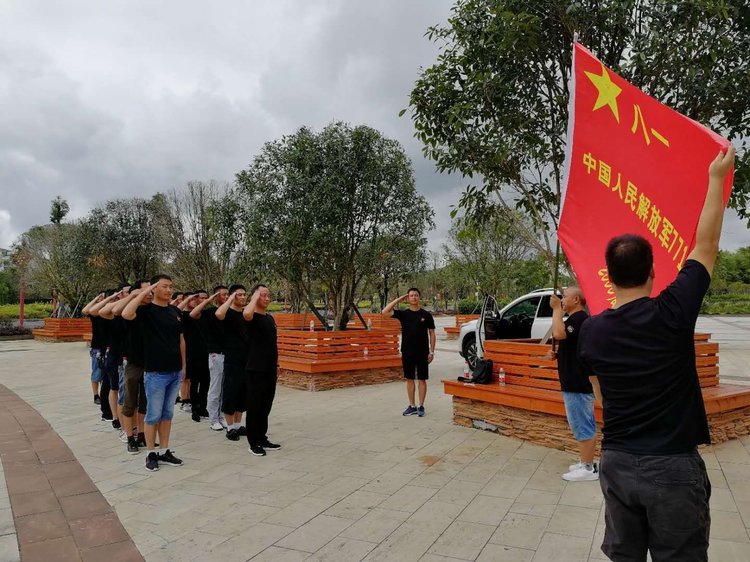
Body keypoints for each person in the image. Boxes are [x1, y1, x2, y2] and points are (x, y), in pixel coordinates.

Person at [578, 146, 735, 561]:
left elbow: (600, 399)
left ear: (609, 277)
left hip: (617, 462)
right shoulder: (673, 312)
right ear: (652, 271)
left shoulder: (592, 333)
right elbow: (707, 245)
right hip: (671, 468)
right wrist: (716, 178)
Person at [122, 274, 185, 472]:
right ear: (155, 289)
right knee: (153, 414)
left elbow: (181, 340)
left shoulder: (175, 311)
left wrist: (184, 367)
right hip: (156, 373)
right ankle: (151, 453)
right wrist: (144, 293)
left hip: (174, 371)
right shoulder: (145, 311)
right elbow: (125, 313)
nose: (168, 290)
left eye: (170, 286)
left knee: (167, 414)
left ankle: (164, 450)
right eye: (164, 286)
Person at [550, 286, 597, 482]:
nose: (562, 300)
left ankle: (587, 468)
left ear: (576, 299)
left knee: (582, 424)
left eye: (565, 297)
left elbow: (559, 334)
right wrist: (558, 353)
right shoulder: (575, 320)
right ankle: (585, 461)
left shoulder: (579, 320)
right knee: (581, 423)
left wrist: (555, 310)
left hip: (577, 382)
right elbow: (568, 342)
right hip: (573, 381)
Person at [109, 280, 151, 454]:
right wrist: (134, 295)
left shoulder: (153, 309)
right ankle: (129, 438)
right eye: (146, 289)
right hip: (133, 362)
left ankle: (141, 435)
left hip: (150, 363)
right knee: (129, 403)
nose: (150, 292)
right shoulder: (131, 310)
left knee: (144, 404)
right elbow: (116, 311)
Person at [382, 287, 436, 417]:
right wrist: (399, 299)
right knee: (410, 379)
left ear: (419, 297)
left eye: (416, 295)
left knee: (422, 379)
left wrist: (432, 352)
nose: (414, 297)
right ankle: (412, 406)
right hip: (407, 352)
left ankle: (421, 406)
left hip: (423, 352)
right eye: (411, 296)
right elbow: (384, 312)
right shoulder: (403, 314)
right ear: (408, 298)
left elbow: (432, 333)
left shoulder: (426, 315)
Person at [243, 284, 281, 456]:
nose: (266, 298)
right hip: (255, 368)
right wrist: (254, 297)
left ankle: (262, 436)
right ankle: (253, 442)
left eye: (268, 295)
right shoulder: (251, 317)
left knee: (266, 405)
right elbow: (246, 313)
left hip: (269, 368)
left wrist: (277, 365)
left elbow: (273, 344)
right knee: (255, 405)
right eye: (262, 295)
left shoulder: (269, 318)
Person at [189, 285, 230, 431]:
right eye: (222, 294)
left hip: (229, 354)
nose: (226, 297)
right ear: (216, 296)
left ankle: (221, 416)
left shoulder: (229, 313)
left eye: (227, 294)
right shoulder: (209, 312)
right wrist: (208, 300)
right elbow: (193, 314)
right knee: (215, 387)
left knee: (225, 388)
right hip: (215, 354)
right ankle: (213, 419)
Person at [215, 284, 248, 441]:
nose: (242, 297)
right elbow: (219, 313)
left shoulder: (246, 314)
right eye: (239, 295)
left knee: (242, 395)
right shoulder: (227, 313)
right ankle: (229, 427)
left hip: (246, 360)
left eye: (244, 295)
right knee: (230, 393)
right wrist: (229, 299)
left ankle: (237, 425)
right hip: (232, 360)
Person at [180, 290, 210, 423]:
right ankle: (195, 409)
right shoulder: (185, 315)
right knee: (194, 382)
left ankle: (203, 407)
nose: (203, 300)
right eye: (200, 298)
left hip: (205, 353)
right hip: (191, 353)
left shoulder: (205, 315)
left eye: (206, 298)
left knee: (205, 382)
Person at [82, 292, 106, 406]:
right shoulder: (95, 314)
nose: (101, 300)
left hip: (108, 347)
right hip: (97, 348)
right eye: (99, 298)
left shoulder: (109, 312)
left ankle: (105, 394)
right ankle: (96, 395)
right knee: (97, 372)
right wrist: (96, 298)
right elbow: (85, 311)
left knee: (106, 374)